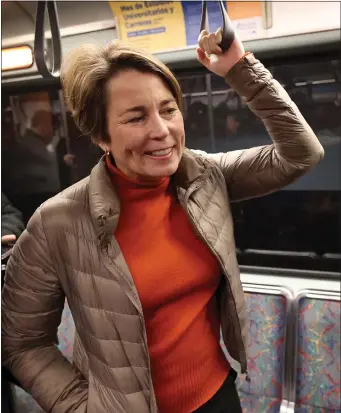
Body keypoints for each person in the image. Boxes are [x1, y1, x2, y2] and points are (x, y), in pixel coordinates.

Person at [2, 28, 324, 413]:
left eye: (168, 109)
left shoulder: (204, 177)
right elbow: (21, 341)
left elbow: (300, 154)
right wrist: (79, 407)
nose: (161, 130)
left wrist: (240, 69)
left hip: (218, 396)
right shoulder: (58, 222)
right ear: (102, 136)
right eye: (136, 118)